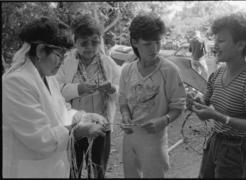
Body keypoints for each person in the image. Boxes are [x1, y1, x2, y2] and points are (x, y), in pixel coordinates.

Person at [2, 17, 107, 178]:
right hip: (28, 171)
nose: (61, 62)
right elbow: (40, 139)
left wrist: (83, 116)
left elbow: (62, 111)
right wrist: (78, 131)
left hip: (52, 167)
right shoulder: (16, 82)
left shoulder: (48, 77)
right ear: (40, 51)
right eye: (59, 55)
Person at [190, 13, 246, 178]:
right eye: (215, 40)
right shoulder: (218, 73)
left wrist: (217, 116)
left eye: (221, 41)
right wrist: (196, 102)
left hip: (237, 149)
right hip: (214, 142)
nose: (214, 45)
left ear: (240, 45)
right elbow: (206, 103)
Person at [118, 12, 186, 178]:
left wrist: (164, 120)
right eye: (147, 44)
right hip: (130, 140)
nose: (154, 49)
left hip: (155, 142)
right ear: (134, 42)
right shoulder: (127, 70)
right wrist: (125, 116)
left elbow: (178, 106)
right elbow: (123, 101)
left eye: (158, 42)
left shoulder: (169, 71)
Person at [55, 14, 121, 178]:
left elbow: (123, 91)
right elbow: (56, 91)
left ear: (100, 40)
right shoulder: (66, 62)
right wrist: (79, 88)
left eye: (95, 42)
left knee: (97, 170)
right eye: (84, 43)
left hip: (101, 127)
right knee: (72, 169)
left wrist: (112, 88)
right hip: (74, 126)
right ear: (75, 41)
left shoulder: (108, 64)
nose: (90, 47)